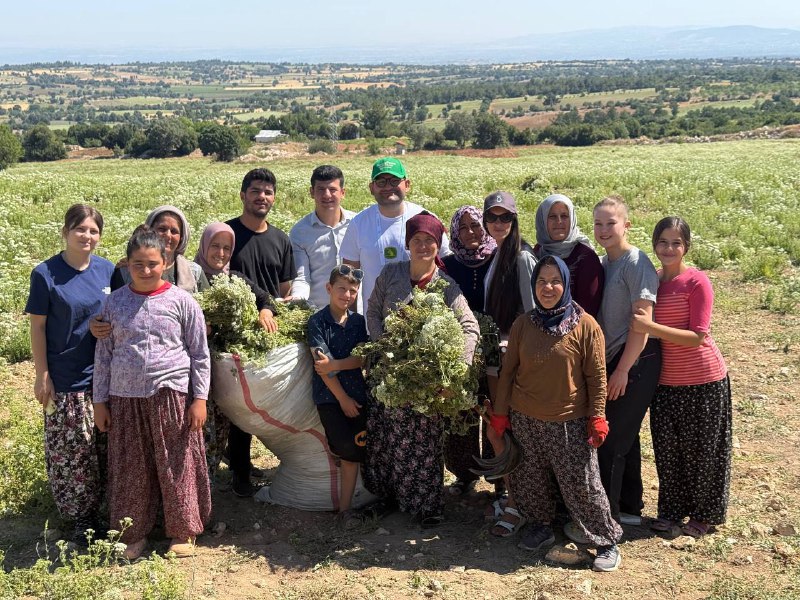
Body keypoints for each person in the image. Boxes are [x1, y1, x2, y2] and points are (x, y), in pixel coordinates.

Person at [490, 255, 623, 572]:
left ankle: (606, 541)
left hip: (569, 422)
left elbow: (596, 378)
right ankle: (540, 526)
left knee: (583, 485)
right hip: (526, 418)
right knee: (530, 478)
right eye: (541, 281)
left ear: (566, 285)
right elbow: (508, 374)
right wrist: (500, 414)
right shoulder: (524, 324)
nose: (547, 288)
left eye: (555, 281)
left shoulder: (586, 326)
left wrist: (597, 416)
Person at [93, 225, 211, 560]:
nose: (145, 270)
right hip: (124, 397)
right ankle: (132, 534)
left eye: (152, 264)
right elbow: (103, 355)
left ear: (166, 262)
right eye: (138, 264)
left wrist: (200, 398)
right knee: (131, 468)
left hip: (170, 394)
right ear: (127, 265)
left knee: (177, 462)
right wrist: (100, 401)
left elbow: (199, 353)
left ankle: (183, 531)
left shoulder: (182, 301)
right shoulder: (114, 303)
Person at [364, 211, 479, 526]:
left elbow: (469, 326)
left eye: (430, 240)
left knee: (423, 446)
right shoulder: (390, 274)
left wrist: (457, 368)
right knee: (385, 440)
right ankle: (387, 497)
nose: (423, 246)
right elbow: (372, 312)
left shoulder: (446, 286)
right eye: (417, 240)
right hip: (387, 376)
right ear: (407, 243)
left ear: (438, 245)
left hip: (423, 384)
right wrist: (384, 347)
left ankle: (427, 506)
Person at [630, 217, 731, 538]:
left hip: (703, 380)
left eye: (676, 243)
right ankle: (671, 512)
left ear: (686, 246)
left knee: (704, 451)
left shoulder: (697, 282)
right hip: (665, 382)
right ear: (654, 244)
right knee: (668, 451)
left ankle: (703, 515)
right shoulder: (654, 280)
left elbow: (698, 336)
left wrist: (651, 328)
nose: (669, 248)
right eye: (663, 242)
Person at [26, 204, 114, 547]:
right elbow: (38, 327)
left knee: (104, 448)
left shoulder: (108, 271)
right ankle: (82, 521)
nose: (87, 236)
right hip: (66, 378)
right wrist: (42, 374)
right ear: (65, 232)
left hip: (105, 376)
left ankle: (109, 512)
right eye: (80, 229)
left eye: (93, 230)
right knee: (73, 454)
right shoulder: (45, 274)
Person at [589, 195, 661, 531]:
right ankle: (630, 506)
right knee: (626, 436)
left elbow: (642, 323)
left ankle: (607, 519)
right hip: (615, 357)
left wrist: (622, 370)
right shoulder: (605, 263)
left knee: (612, 440)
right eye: (598, 223)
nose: (604, 229)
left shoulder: (636, 262)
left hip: (636, 358)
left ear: (626, 225)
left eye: (611, 223)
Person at [225, 168, 296, 497]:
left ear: (274, 198)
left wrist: (274, 311)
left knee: (268, 399)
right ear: (243, 195)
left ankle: (270, 462)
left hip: (271, 328)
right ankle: (239, 471)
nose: (261, 197)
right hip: (236, 329)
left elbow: (284, 288)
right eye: (255, 191)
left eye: (267, 192)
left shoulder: (281, 239)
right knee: (238, 405)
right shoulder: (227, 233)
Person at [194, 221, 277, 485]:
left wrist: (265, 311)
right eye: (215, 246)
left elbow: (265, 298)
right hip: (199, 366)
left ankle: (240, 474)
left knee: (238, 419)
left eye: (226, 248)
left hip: (230, 367)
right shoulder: (191, 276)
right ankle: (201, 481)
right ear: (204, 246)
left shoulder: (235, 278)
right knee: (204, 428)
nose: (220, 253)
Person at [480, 191, 535, 536]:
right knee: (498, 429)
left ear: (514, 220)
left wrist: (517, 358)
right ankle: (516, 498)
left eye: (505, 217)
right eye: (492, 217)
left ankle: (518, 505)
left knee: (508, 432)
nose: (498, 223)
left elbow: (533, 316)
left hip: (511, 360)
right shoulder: (498, 253)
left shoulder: (523, 257)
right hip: (495, 359)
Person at [340, 157, 449, 317]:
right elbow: (349, 278)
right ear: (371, 188)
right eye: (381, 182)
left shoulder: (427, 219)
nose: (388, 187)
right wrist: (352, 320)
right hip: (374, 321)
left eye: (394, 181)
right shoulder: (358, 224)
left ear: (407, 185)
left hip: (423, 321)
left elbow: (447, 265)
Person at [306, 265, 370, 526]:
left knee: (355, 450)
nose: (347, 295)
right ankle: (345, 509)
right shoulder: (317, 322)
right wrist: (342, 399)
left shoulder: (358, 322)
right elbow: (323, 369)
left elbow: (362, 358)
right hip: (330, 398)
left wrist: (336, 364)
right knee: (345, 448)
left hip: (358, 395)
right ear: (329, 288)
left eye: (352, 291)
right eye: (341, 289)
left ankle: (347, 509)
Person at [441, 206, 497, 496]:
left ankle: (498, 476)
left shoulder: (498, 259)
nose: (470, 232)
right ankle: (464, 474)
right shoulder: (448, 265)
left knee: (493, 408)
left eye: (475, 225)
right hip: (460, 347)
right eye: (462, 228)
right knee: (460, 410)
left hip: (494, 347)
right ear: (455, 233)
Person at [290, 165, 356, 310]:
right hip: (318, 313)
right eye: (321, 189)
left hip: (356, 313)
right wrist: (297, 299)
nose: (327, 195)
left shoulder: (358, 224)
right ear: (312, 192)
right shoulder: (299, 232)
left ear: (342, 193)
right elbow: (302, 277)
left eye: (333, 190)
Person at [533, 193, 604, 317]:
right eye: (552, 216)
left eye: (564, 216)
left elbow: (587, 311)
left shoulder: (586, 257)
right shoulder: (539, 251)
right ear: (542, 220)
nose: (559, 221)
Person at [110, 205, 209, 293]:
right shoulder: (125, 272)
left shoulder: (194, 273)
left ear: (181, 238)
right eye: (162, 229)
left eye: (174, 231)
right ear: (149, 231)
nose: (168, 235)